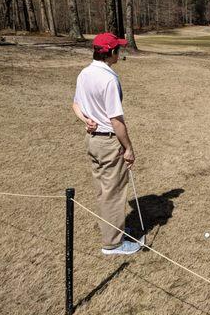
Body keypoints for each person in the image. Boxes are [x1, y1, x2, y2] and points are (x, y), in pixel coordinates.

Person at [72, 33, 140, 255]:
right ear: (110, 53)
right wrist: (128, 148)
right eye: (118, 49)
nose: (119, 53)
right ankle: (113, 244)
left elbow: (76, 105)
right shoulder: (109, 79)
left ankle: (112, 230)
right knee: (113, 192)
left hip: (92, 142)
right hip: (109, 143)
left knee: (104, 190)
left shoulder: (85, 73)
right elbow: (116, 121)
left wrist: (87, 120)